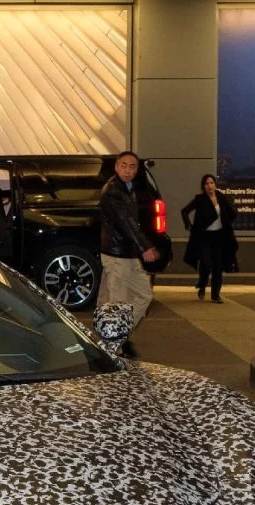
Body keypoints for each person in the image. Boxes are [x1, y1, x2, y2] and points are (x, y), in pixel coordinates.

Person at [99, 150, 160, 357]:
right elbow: (126, 224)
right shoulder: (112, 191)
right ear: (116, 167)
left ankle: (118, 335)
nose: (127, 170)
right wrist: (145, 247)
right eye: (123, 165)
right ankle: (112, 348)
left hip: (129, 254)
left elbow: (133, 222)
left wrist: (141, 247)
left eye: (132, 166)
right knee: (117, 304)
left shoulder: (128, 188)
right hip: (117, 256)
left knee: (144, 296)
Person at [180, 174, 236, 303]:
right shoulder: (200, 199)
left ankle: (215, 295)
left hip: (219, 237)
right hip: (204, 237)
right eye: (207, 184)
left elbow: (231, 213)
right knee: (206, 263)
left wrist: (227, 223)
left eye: (212, 183)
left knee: (217, 267)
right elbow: (184, 211)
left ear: (215, 184)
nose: (210, 186)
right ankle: (202, 284)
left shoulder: (221, 197)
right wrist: (189, 225)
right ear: (203, 186)